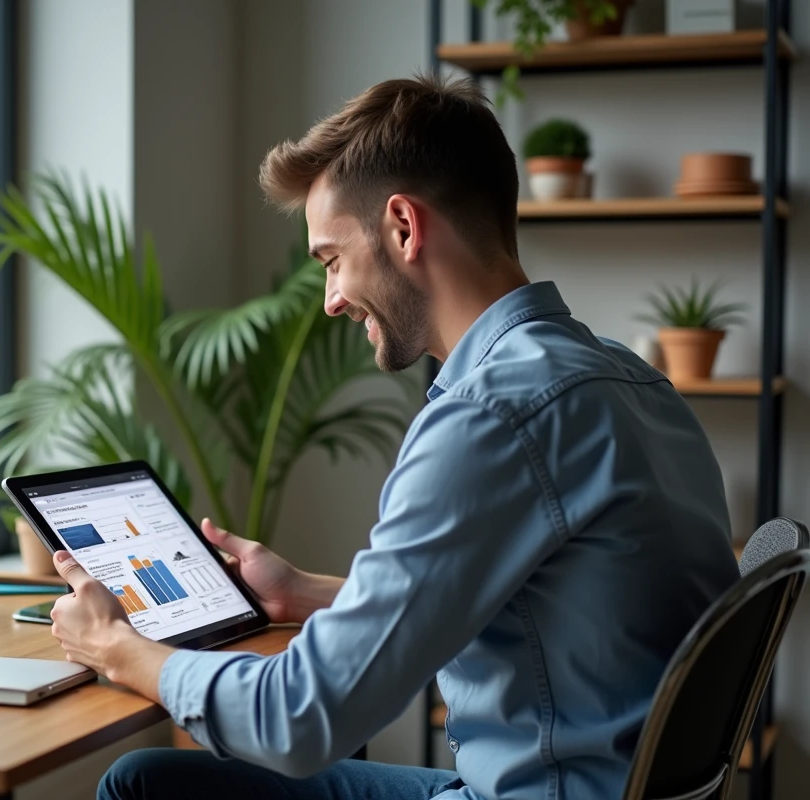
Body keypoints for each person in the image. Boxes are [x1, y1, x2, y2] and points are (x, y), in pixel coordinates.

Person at [46, 74, 741, 800]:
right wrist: (308, 595)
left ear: (404, 227)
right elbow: (544, 604)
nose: (331, 299)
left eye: (331, 260)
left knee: (145, 788)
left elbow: (300, 721)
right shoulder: (629, 381)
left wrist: (117, 648)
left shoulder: (492, 417)